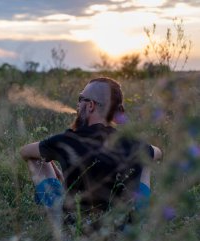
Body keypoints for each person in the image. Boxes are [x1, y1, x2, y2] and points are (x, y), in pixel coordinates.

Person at [20, 77, 162, 228]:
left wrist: (54, 167)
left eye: (81, 98)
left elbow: (25, 152)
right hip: (123, 229)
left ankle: (54, 217)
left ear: (91, 106)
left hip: (74, 227)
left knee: (36, 160)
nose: (78, 104)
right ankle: (139, 219)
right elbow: (159, 152)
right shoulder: (134, 144)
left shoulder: (65, 141)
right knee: (147, 159)